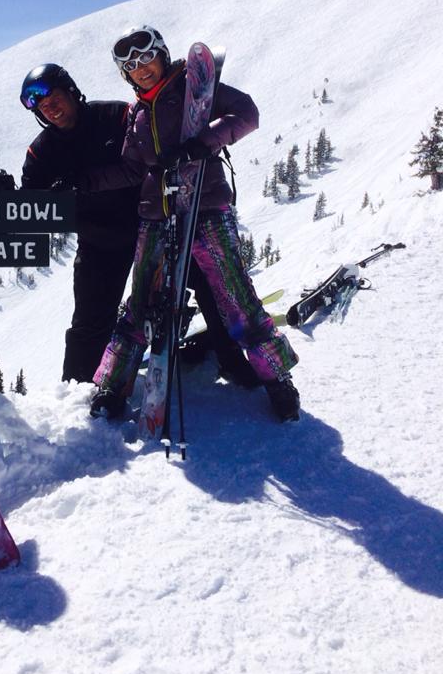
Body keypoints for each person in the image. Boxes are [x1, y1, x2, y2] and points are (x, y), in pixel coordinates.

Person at [80, 26, 300, 423]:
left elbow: (246, 114)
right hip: (156, 215)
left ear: (161, 54)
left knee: (235, 297)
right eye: (130, 66)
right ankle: (112, 386)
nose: (141, 69)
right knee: (141, 304)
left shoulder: (193, 87)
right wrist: (89, 180)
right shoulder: (137, 113)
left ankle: (276, 376)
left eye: (146, 58)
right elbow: (132, 168)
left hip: (205, 208)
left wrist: (203, 143)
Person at [19, 63, 140, 384]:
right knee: (89, 323)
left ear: (71, 91)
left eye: (54, 98)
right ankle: (76, 393)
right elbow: (31, 205)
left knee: (199, 281)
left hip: (151, 227)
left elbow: (148, 160)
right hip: (99, 242)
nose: (51, 109)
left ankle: (232, 351)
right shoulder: (42, 150)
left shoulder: (116, 116)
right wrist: (7, 195)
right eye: (43, 107)